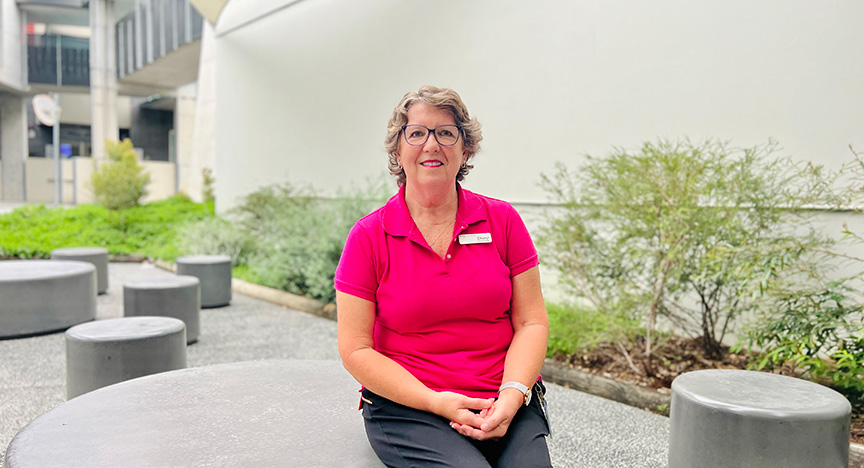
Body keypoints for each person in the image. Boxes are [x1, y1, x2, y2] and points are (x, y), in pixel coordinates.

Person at [335, 85, 552, 468]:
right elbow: (355, 348)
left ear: (465, 148)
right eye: (416, 133)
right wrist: (435, 401)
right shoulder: (369, 236)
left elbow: (531, 320)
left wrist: (514, 393)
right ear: (397, 150)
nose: (431, 145)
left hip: (503, 399)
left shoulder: (502, 221)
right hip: (410, 407)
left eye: (446, 133)